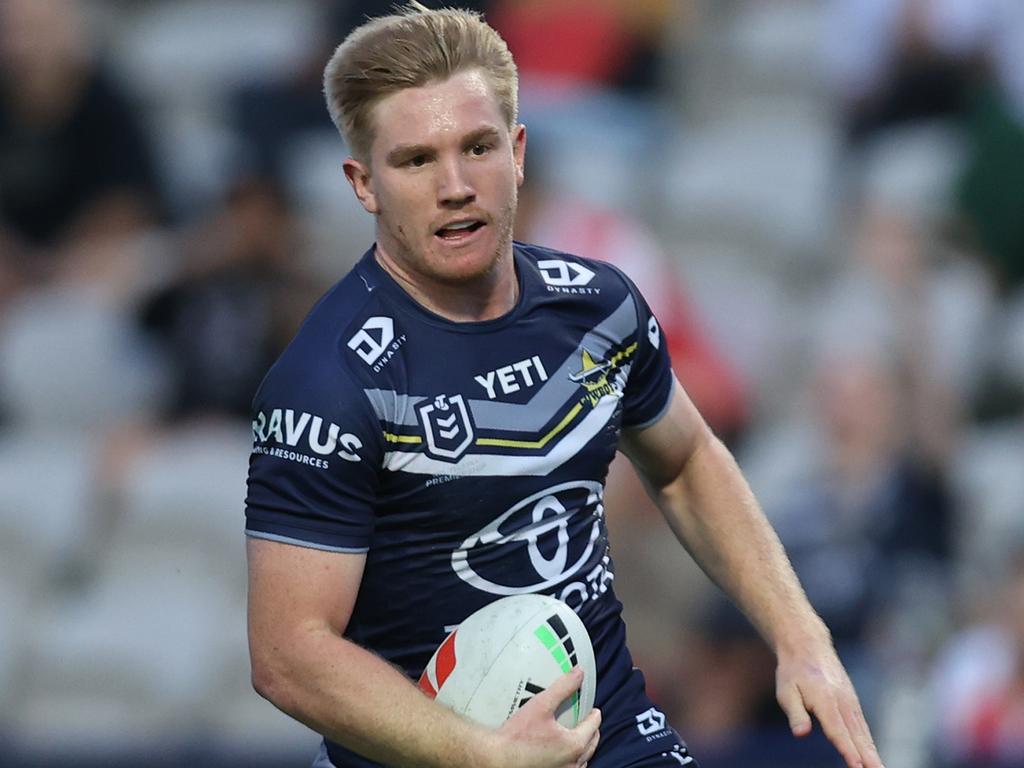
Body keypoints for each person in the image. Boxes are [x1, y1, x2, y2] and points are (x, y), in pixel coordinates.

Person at [244, 4, 884, 767]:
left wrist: (800, 636)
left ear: (517, 152)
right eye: (417, 160)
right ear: (364, 184)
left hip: (609, 736)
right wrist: (483, 755)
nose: (456, 185)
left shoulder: (599, 307)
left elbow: (684, 462)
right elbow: (288, 654)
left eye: (477, 147)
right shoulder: (327, 381)